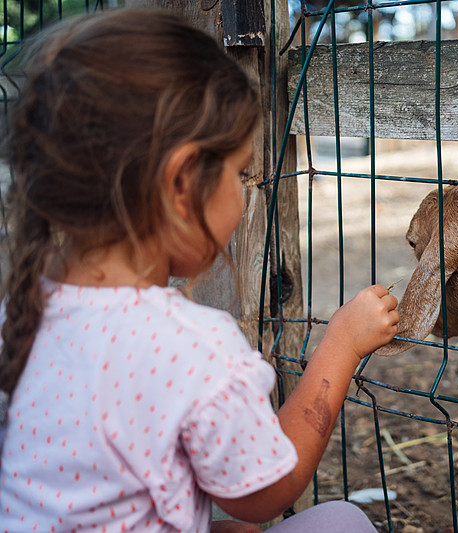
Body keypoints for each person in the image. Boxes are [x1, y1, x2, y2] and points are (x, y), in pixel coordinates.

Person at [0, 8, 399, 533]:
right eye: (238, 171)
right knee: (342, 522)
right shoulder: (189, 347)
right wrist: (341, 345)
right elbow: (264, 495)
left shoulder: (23, 310)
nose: (242, 189)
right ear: (182, 184)